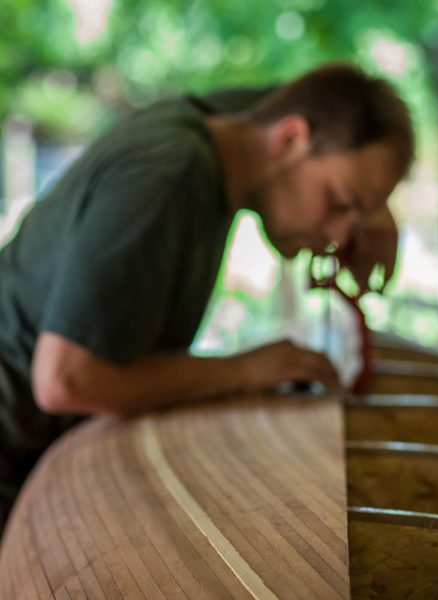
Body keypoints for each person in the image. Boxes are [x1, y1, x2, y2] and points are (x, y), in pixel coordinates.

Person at [0, 62, 415, 533]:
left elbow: (319, 100)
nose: (341, 236)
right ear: (290, 140)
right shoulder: (170, 173)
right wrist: (246, 369)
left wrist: (373, 211)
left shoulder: (230, 130)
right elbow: (67, 380)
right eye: (340, 203)